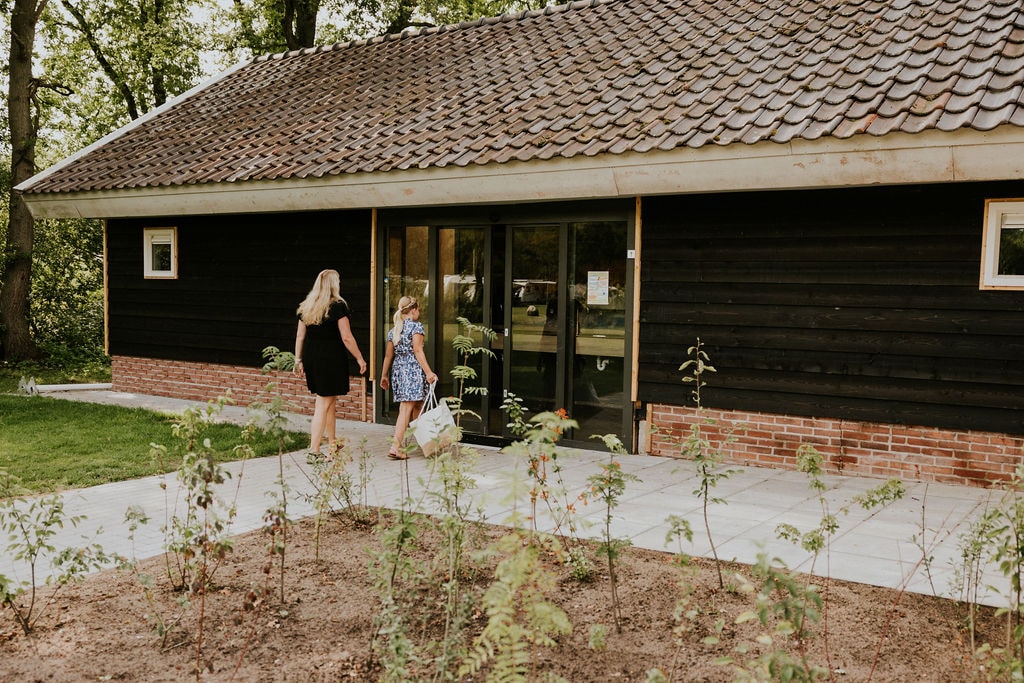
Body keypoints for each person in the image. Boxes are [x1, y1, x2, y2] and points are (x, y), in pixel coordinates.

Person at [294, 269, 367, 455]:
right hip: (330, 358)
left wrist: (298, 359)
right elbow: (347, 337)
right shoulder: (338, 306)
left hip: (312, 356)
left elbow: (300, 336)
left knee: (330, 401)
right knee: (323, 403)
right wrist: (359, 358)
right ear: (333, 285)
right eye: (338, 281)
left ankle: (333, 443)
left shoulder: (307, 306)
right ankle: (314, 450)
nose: (340, 284)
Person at [379, 296, 439, 460]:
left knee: (418, 406)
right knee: (406, 409)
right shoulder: (416, 327)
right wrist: (429, 372)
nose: (419, 312)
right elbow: (418, 351)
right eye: (418, 309)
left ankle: (428, 446)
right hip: (412, 371)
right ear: (413, 310)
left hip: (399, 371)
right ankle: (395, 447)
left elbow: (388, 356)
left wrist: (384, 375)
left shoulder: (394, 331)